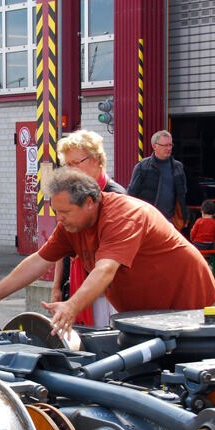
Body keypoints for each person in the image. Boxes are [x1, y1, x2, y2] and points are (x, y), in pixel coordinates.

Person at [0, 168, 215, 336]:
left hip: (184, 298)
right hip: (143, 311)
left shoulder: (123, 215)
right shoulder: (72, 224)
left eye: (64, 212)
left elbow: (105, 269)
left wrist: (72, 306)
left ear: (90, 202)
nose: (59, 219)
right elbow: (40, 260)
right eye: (56, 212)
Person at [50, 129, 125, 328]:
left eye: (76, 163)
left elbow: (111, 263)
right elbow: (59, 244)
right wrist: (56, 285)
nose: (71, 170)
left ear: (96, 160)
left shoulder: (115, 197)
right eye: (67, 165)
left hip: (105, 291)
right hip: (75, 280)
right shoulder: (71, 195)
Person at [128, 130, 189, 227]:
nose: (169, 148)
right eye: (165, 145)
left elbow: (182, 194)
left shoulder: (178, 167)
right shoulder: (142, 167)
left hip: (170, 221)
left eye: (170, 145)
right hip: (148, 221)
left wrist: (184, 216)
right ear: (155, 146)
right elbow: (131, 195)